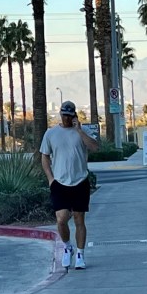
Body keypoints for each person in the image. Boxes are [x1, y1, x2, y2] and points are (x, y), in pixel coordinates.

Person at [40, 100, 100, 270]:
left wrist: (79, 130)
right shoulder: (51, 133)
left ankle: (80, 254)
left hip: (80, 181)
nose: (66, 118)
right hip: (59, 183)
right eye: (64, 115)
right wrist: (50, 179)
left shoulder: (82, 132)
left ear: (74, 115)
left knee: (79, 218)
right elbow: (44, 157)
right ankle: (68, 247)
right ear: (60, 114)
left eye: (69, 115)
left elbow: (95, 147)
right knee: (61, 219)